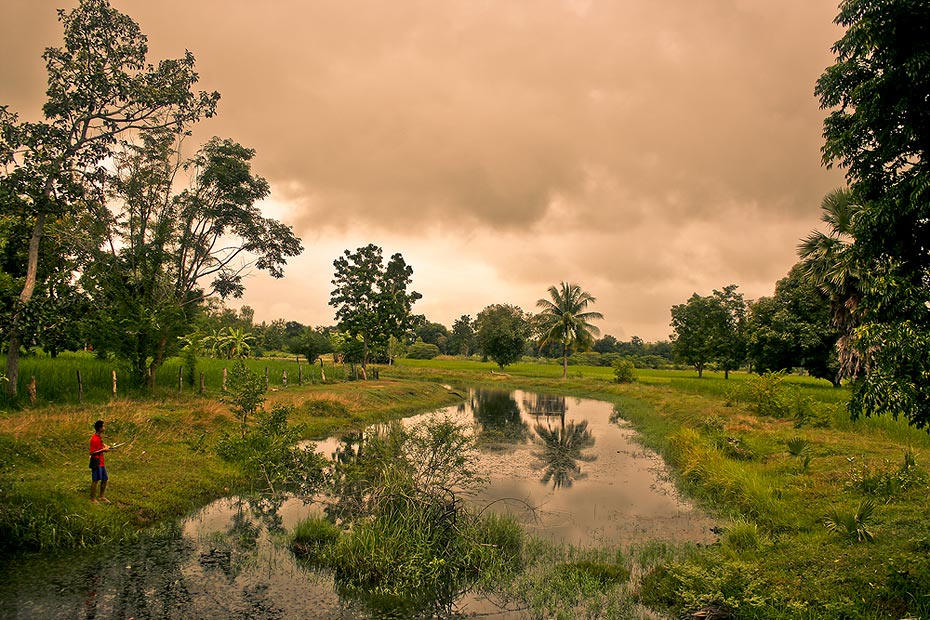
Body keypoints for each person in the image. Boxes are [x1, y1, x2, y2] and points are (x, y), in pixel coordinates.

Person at [89, 419, 111, 503]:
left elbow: (101, 443)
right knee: (95, 480)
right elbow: (92, 452)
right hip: (96, 461)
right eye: (103, 426)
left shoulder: (99, 436)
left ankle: (102, 496)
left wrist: (105, 446)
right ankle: (93, 499)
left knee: (105, 478)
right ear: (100, 428)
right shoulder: (94, 439)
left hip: (101, 461)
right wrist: (103, 450)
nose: (104, 428)